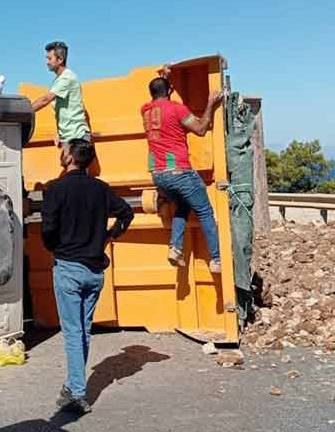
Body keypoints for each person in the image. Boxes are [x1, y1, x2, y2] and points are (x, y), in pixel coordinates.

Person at [41, 139, 134, 414]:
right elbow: (126, 213)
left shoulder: (55, 190)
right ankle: (72, 384)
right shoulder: (101, 189)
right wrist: (107, 236)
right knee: (82, 330)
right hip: (95, 270)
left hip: (68, 267)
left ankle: (77, 393)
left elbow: (48, 229)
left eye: (63, 149)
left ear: (70, 157)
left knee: (72, 332)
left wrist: (55, 247)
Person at [141, 76, 224, 273]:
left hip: (158, 175)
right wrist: (211, 104)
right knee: (205, 212)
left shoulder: (145, 110)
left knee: (183, 206)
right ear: (169, 90)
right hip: (179, 172)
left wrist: (166, 77)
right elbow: (202, 129)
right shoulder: (177, 108)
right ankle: (216, 259)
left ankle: (175, 248)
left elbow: (163, 113)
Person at [31, 41, 92, 155]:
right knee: (72, 170)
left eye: (50, 59)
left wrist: (26, 111)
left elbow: (46, 99)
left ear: (60, 60)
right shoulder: (59, 80)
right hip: (69, 137)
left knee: (76, 171)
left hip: (77, 137)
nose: (47, 62)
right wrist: (59, 132)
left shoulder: (66, 78)